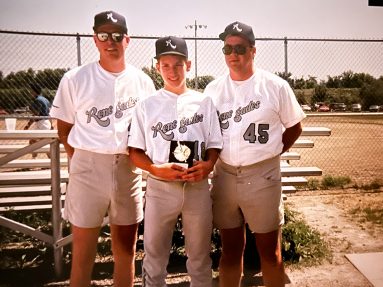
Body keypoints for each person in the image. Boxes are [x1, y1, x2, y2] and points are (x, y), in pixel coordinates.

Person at [49, 10, 155, 287]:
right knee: (83, 255)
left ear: (127, 40)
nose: (111, 41)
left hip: (126, 168)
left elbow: (148, 130)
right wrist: (81, 158)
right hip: (87, 168)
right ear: (94, 39)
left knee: (126, 252)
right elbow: (64, 128)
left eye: (117, 35)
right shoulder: (75, 78)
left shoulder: (142, 81)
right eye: (104, 35)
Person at [204, 21, 306, 287]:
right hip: (225, 174)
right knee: (229, 252)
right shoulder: (213, 89)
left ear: (253, 51)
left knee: (270, 254)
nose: (233, 54)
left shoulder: (274, 85)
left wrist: (272, 152)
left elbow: (295, 126)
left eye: (239, 48)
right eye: (227, 48)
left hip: (262, 175)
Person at [128, 36, 223, 286]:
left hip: (197, 187)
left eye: (178, 65)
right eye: (166, 65)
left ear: (188, 65)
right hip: (161, 187)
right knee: (154, 257)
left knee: (200, 257)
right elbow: (134, 151)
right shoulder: (146, 105)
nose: (172, 71)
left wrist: (209, 165)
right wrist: (153, 168)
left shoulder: (204, 101)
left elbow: (214, 144)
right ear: (157, 67)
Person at [24, 83, 53, 158]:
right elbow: (49, 114)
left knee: (43, 143)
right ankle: (34, 160)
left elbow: (35, 115)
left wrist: (28, 125)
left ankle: (50, 162)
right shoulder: (45, 99)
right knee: (33, 141)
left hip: (42, 123)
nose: (30, 92)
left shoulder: (37, 100)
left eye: (31, 90)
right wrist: (51, 125)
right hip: (45, 122)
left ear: (34, 91)